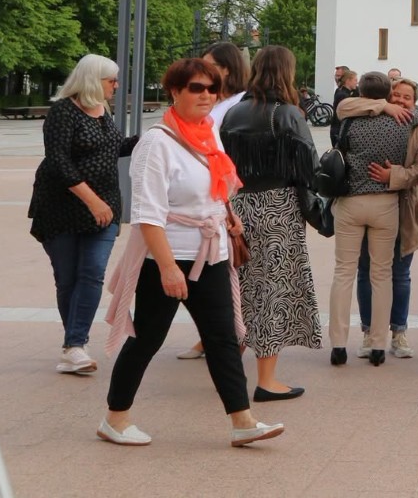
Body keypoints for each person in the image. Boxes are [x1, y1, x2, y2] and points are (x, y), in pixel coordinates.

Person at [100, 57, 283, 448]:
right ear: (175, 91)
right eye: (196, 88)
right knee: (147, 339)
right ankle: (115, 419)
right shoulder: (156, 143)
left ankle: (243, 421)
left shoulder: (209, 130)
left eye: (212, 89)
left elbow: (214, 187)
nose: (206, 95)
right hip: (165, 257)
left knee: (222, 339)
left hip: (211, 253)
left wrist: (228, 217)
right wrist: (168, 268)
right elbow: (146, 214)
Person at [217, 46, 320, 400]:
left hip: (240, 206)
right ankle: (266, 380)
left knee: (241, 289)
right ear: (286, 72)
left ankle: (229, 372)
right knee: (273, 291)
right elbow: (310, 167)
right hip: (278, 208)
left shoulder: (233, 113)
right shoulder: (288, 114)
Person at [28, 54, 128, 375]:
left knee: (93, 272)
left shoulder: (103, 110)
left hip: (104, 209)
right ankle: (73, 346)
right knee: (68, 279)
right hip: (61, 209)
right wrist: (92, 201)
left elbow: (113, 148)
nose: (116, 85)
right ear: (92, 80)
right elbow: (58, 161)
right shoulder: (63, 112)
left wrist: (155, 138)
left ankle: (75, 345)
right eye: (111, 80)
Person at [336, 76, 418, 359]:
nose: (400, 101)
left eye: (406, 97)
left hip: (402, 206)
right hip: (382, 206)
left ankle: (397, 332)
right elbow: (344, 107)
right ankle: (371, 336)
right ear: (387, 96)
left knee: (398, 274)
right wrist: (383, 107)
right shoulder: (369, 112)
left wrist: (394, 176)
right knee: (370, 272)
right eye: (396, 95)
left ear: (413, 101)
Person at [203, 42, 249, 129]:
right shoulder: (209, 100)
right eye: (202, 66)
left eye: (209, 67)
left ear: (227, 69)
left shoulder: (240, 102)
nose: (203, 71)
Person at [331, 69, 358, 145]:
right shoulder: (343, 95)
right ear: (348, 81)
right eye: (355, 80)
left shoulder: (341, 91)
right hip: (339, 130)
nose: (357, 82)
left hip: (337, 129)